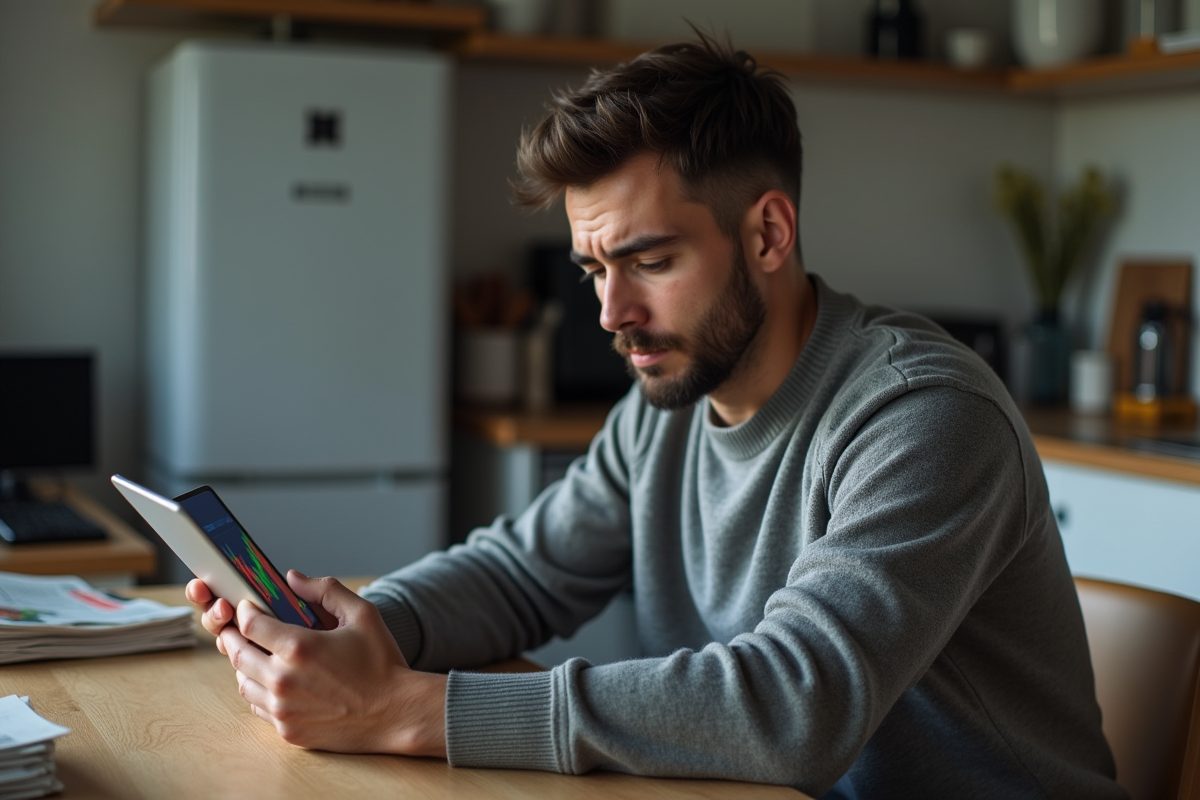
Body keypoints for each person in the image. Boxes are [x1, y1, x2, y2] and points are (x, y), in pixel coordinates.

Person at [186, 35, 1128, 799]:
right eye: (594, 269)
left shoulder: (921, 416)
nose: (610, 313)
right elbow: (523, 573)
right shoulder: (670, 402)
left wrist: (405, 709)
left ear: (767, 233)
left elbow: (795, 705)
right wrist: (352, 632)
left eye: (649, 261)